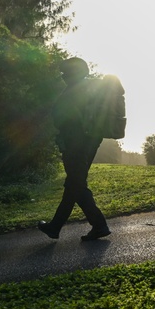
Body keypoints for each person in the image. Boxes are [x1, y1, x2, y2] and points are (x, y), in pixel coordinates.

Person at [37, 57, 111, 241]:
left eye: (65, 72)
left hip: (75, 145)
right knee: (73, 185)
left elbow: (60, 117)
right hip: (90, 143)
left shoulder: (74, 91)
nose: (63, 76)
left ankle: (99, 225)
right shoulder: (90, 90)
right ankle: (55, 226)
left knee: (76, 185)